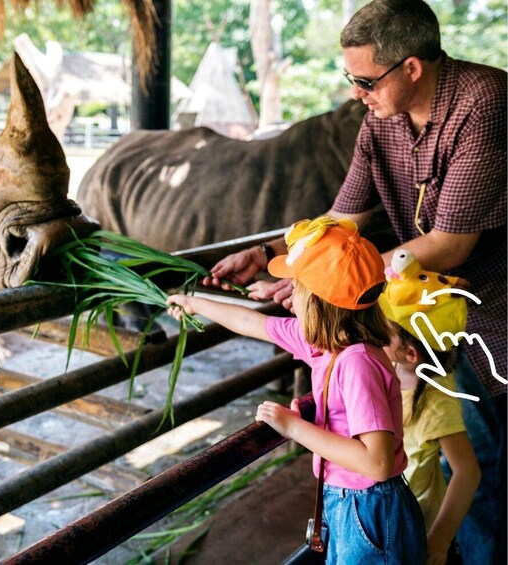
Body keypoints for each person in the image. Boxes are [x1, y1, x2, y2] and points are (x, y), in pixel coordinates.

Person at [203, 2, 506, 561]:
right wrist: (276, 252)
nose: (357, 93)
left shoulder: (485, 103)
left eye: (365, 80)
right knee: (442, 451)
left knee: (483, 459)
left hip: (489, 312)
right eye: (352, 79)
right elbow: (345, 219)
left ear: (412, 68)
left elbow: (451, 241)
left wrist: (328, 279)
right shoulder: (380, 117)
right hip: (419, 312)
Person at [169, 217, 426, 563]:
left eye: (297, 289)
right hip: (349, 500)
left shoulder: (357, 363)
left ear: (318, 303)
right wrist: (193, 304)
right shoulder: (321, 344)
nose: (289, 297)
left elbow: (377, 463)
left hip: (368, 507)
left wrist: (293, 427)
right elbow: (251, 322)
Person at [379, 249, 480, 565]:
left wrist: (438, 540)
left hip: (417, 531)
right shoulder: (390, 372)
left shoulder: (436, 399)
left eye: (385, 330)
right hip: (386, 520)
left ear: (411, 354)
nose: (374, 333)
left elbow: (467, 471)